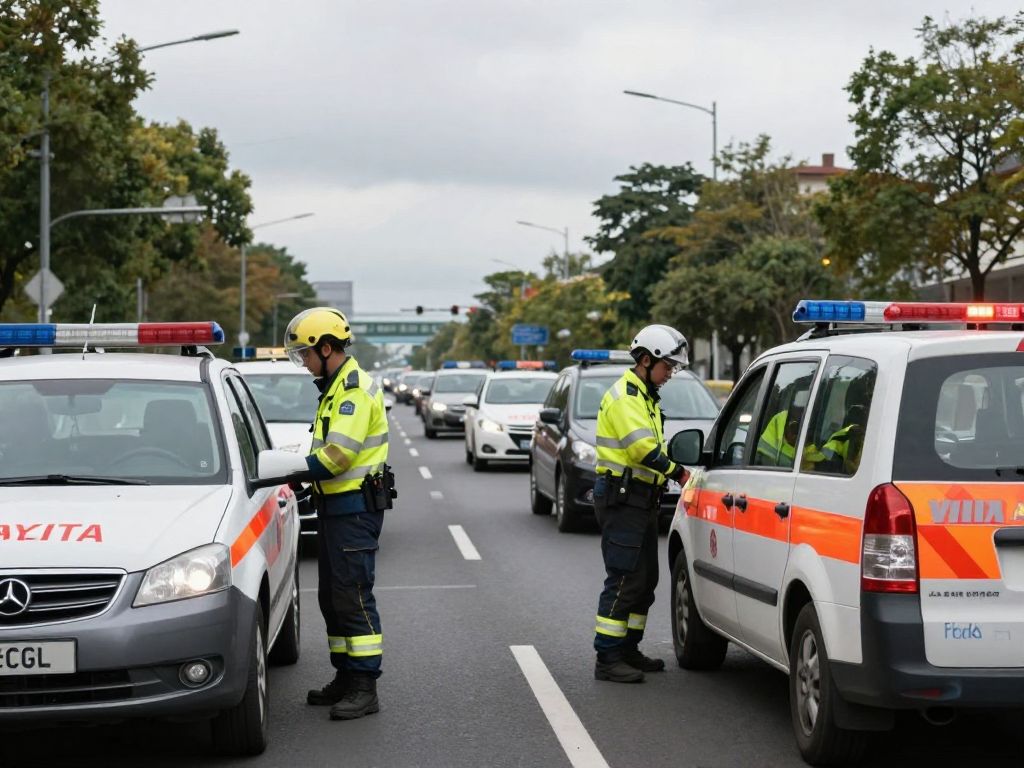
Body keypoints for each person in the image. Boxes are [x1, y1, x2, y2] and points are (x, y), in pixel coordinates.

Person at [282, 307, 395, 720]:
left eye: (306, 355)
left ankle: (365, 686)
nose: (304, 363)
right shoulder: (332, 387)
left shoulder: (352, 391)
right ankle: (346, 677)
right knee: (332, 598)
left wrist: (290, 470)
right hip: (335, 508)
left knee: (352, 598)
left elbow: (338, 456)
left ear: (327, 348)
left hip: (354, 510)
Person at [592, 325, 690, 683]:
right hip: (623, 500)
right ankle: (607, 657)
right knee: (624, 580)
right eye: (668, 367)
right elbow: (641, 449)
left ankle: (628, 649)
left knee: (645, 580)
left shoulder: (646, 396)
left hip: (641, 500)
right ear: (646, 360)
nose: (669, 375)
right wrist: (679, 473)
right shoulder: (626, 397)